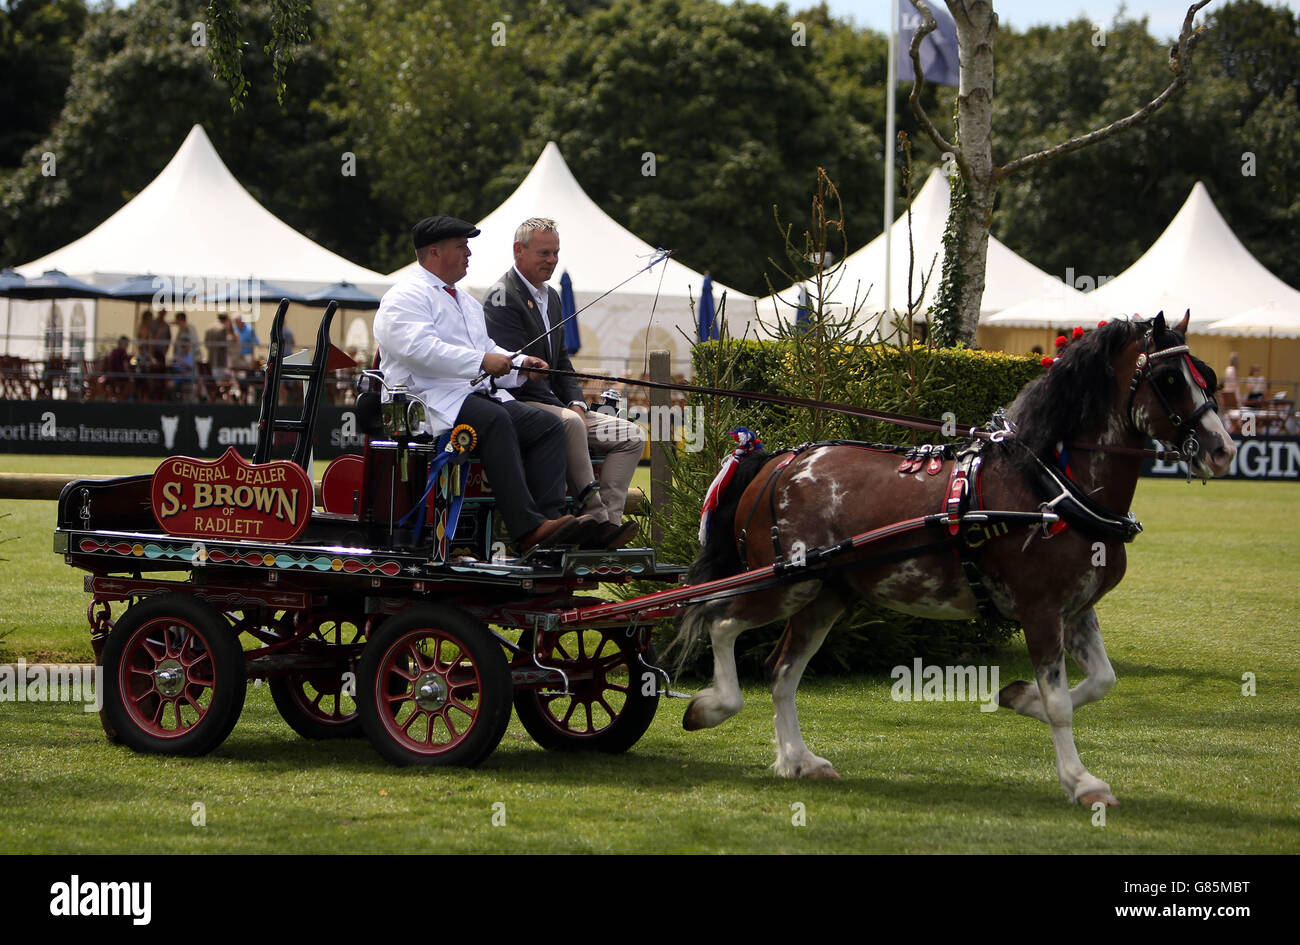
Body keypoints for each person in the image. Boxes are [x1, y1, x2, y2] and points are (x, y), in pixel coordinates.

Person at [373, 215, 594, 553]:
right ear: (435, 252)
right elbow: (419, 350)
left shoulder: (464, 300)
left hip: (469, 396)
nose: (468, 254)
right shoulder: (405, 296)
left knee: (548, 425)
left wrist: (521, 365)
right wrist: (480, 362)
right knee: (496, 420)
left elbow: (488, 350)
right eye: (462, 247)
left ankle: (551, 522)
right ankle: (527, 529)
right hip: (427, 401)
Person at [483, 217, 646, 550]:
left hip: (559, 407)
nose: (552, 260)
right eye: (544, 253)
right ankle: (594, 515)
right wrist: (568, 410)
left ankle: (608, 528)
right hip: (519, 403)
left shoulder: (553, 297)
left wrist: (578, 402)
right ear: (518, 250)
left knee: (631, 435)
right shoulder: (501, 297)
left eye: (556, 253)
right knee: (571, 422)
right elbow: (516, 374)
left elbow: (561, 363)